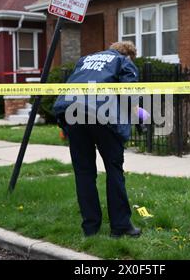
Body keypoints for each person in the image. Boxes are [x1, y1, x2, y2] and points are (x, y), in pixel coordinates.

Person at [53, 41, 142, 238]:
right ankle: (120, 227)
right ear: (129, 55)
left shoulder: (85, 60)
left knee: (84, 173)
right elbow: (130, 95)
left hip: (71, 112)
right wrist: (140, 118)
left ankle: (90, 228)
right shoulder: (123, 61)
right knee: (113, 169)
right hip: (102, 115)